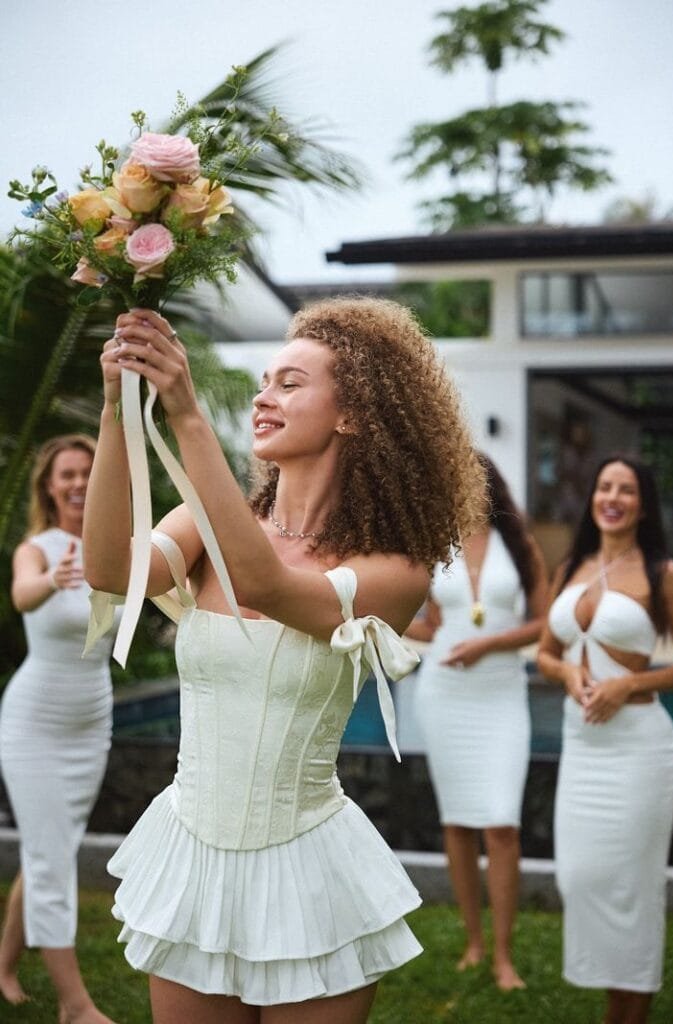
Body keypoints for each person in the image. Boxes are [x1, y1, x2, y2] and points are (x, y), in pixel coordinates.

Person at [81, 298, 486, 1023]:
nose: (265, 397)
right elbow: (111, 569)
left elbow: (265, 584)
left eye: (290, 383)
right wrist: (118, 409)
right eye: (265, 382)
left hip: (307, 868)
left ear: (353, 414)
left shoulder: (395, 569)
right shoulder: (209, 524)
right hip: (189, 853)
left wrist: (187, 415)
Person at [537, 454, 673, 1024]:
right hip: (584, 748)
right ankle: (612, 997)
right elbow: (548, 654)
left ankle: (631, 1011)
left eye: (625, 489)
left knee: (635, 889)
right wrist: (569, 674)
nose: (612, 497)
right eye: (604, 487)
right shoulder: (572, 565)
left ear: (643, 503)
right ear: (592, 497)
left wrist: (630, 684)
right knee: (581, 877)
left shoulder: (663, 573)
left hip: (640, 751)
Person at [406, 453, 548, 991]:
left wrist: (490, 641)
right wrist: (371, 619)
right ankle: (473, 942)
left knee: (502, 825)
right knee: (458, 823)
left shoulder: (520, 544)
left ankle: (504, 955)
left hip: (501, 694)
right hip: (444, 693)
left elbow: (543, 623)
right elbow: (432, 623)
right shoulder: (433, 543)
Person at [0, 434, 119, 1024]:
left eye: (87, 472)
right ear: (49, 485)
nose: (77, 482)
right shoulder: (38, 549)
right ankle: (75, 1006)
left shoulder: (116, 546)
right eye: (66, 474)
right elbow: (22, 595)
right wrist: (52, 579)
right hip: (35, 724)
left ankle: (2, 964)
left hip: (91, 718)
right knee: (50, 855)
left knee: (51, 847)